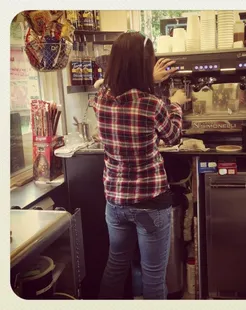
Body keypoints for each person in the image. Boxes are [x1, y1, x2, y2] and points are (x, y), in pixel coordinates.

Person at [94, 32, 187, 300]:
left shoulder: (101, 98)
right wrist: (177, 105)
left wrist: (152, 82)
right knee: (153, 275)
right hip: (150, 202)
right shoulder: (152, 104)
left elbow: (115, 87)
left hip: (116, 203)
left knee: (116, 265)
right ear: (144, 64)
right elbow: (172, 137)